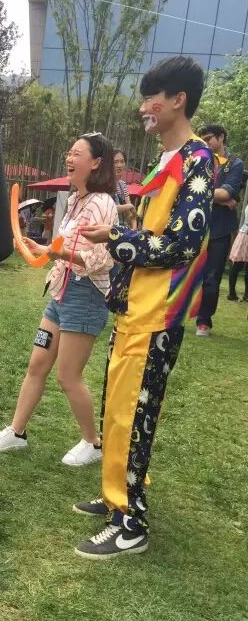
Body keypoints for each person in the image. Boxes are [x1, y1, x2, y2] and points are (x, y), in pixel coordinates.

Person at [76, 56, 214, 559]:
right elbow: (154, 228)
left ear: (178, 100)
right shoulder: (166, 159)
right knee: (119, 406)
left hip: (159, 313)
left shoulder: (198, 161)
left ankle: (131, 522)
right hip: (135, 306)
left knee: (135, 413)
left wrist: (116, 239)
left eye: (152, 98)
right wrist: (125, 230)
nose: (144, 108)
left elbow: (182, 245)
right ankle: (117, 493)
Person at [0, 133, 118, 466]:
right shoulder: (74, 200)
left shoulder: (102, 203)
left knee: (67, 376)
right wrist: (40, 249)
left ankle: (93, 443)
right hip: (61, 291)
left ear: (96, 163)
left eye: (77, 154)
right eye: (68, 153)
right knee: (37, 365)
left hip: (85, 295)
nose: (69, 159)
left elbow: (101, 260)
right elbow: (63, 249)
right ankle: (17, 432)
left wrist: (56, 252)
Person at [195, 124, 244, 336]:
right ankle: (176, 314)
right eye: (203, 139)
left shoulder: (235, 163)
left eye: (209, 138)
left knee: (212, 276)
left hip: (220, 228)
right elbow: (186, 187)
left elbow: (226, 193)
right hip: (195, 224)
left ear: (221, 137)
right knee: (184, 271)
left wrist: (203, 192)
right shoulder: (199, 159)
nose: (205, 143)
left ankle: (204, 321)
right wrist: (222, 199)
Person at [228, 204, 248, 301]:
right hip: (245, 236)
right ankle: (232, 293)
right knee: (237, 266)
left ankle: (245, 295)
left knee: (239, 267)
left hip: (244, 234)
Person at [113, 149, 137, 228]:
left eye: (122, 161)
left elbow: (129, 213)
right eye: (115, 162)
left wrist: (134, 228)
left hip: (122, 229)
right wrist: (129, 206)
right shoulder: (105, 184)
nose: (119, 165)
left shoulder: (122, 185)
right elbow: (108, 208)